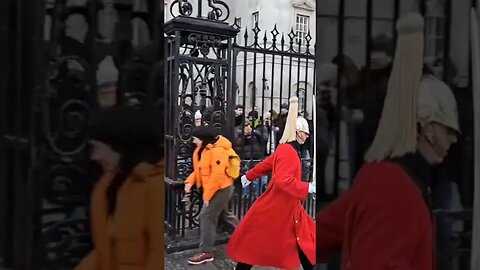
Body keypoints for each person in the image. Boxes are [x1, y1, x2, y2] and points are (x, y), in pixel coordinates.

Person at [316, 13, 459, 269]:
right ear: (426, 127)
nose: (453, 137)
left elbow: (315, 237)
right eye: (447, 128)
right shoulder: (397, 190)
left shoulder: (383, 178)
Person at [226, 97, 316, 270]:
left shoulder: (283, 149)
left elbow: (266, 165)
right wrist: (308, 187)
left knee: (302, 241)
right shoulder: (289, 152)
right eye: (305, 133)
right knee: (258, 242)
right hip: (279, 206)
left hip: (288, 206)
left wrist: (248, 177)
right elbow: (284, 181)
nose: (306, 136)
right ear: (297, 132)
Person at [75, 106, 164, 270]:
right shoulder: (113, 184)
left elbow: (160, 256)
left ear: (119, 146)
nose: (95, 157)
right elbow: (105, 252)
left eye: (97, 147)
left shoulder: (157, 187)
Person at [184, 126, 240, 265]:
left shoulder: (217, 152)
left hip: (221, 188)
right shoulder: (205, 149)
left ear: (203, 139)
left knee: (206, 215)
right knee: (224, 215)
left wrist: (206, 198)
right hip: (218, 188)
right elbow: (200, 170)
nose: (193, 141)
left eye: (195, 138)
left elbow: (217, 177)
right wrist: (190, 181)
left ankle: (207, 252)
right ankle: (247, 236)